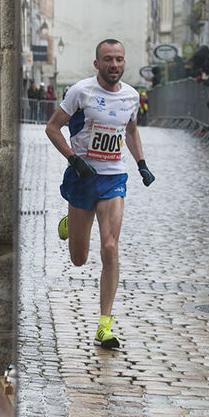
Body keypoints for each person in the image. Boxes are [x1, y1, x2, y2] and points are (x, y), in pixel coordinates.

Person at [44, 39, 155, 349]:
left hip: (113, 178)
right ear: (97, 64)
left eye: (119, 59)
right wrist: (73, 158)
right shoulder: (82, 92)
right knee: (79, 259)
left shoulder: (132, 96)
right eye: (108, 59)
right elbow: (52, 128)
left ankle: (105, 324)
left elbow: (131, 130)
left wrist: (141, 164)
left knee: (109, 246)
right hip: (82, 178)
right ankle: (70, 221)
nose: (114, 65)